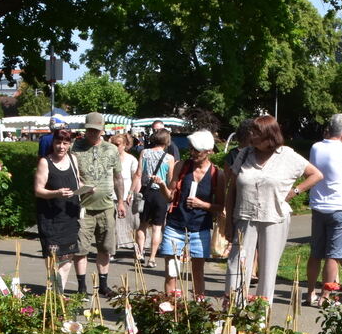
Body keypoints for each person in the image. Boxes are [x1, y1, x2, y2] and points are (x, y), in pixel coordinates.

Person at [226, 115, 323, 302]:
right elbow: (232, 189)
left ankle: (261, 312)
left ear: (269, 135)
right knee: (237, 264)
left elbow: (316, 174)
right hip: (244, 217)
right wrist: (228, 221)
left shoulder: (287, 155)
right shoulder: (244, 154)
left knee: (268, 268)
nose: (251, 135)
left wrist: (295, 191)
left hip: (274, 217)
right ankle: (233, 309)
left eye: (256, 132)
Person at [306, 114, 342, 305]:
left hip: (318, 206)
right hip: (340, 206)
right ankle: (325, 295)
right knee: (334, 255)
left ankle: (310, 293)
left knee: (316, 253)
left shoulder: (316, 147)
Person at [162, 131, 224, 298]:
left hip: (200, 227)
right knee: (172, 271)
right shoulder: (181, 166)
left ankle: (199, 307)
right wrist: (162, 186)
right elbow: (170, 196)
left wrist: (201, 204)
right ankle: (170, 307)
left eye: (197, 150)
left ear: (209, 151)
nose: (192, 153)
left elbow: (220, 206)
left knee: (198, 272)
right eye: (191, 149)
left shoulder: (217, 174)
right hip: (175, 225)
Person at [70, 112, 126, 297]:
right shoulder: (75, 147)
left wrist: (121, 201)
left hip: (106, 206)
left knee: (105, 248)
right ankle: (81, 287)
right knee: (81, 249)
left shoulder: (111, 149)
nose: (93, 133)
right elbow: (70, 174)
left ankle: (103, 285)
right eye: (90, 130)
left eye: (96, 130)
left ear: (102, 130)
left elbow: (118, 177)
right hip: (83, 207)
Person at [33, 128, 84, 295]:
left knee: (68, 256)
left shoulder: (73, 159)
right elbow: (38, 190)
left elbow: (77, 183)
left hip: (70, 215)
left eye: (65, 143)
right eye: (58, 142)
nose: (61, 146)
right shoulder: (45, 162)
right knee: (53, 258)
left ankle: (58, 294)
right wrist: (56, 193)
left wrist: (87, 189)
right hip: (51, 218)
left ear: (70, 144)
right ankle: (53, 293)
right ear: (53, 143)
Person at [136, 129, 175, 267]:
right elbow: (170, 179)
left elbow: (139, 173)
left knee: (142, 225)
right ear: (167, 141)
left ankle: (140, 253)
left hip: (146, 191)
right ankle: (152, 258)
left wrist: (133, 191)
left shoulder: (144, 153)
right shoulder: (169, 158)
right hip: (161, 193)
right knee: (157, 228)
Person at [111, 132, 139, 253]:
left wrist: (132, 193)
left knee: (132, 224)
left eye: (117, 144)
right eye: (113, 144)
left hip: (126, 196)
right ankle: (111, 250)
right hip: (110, 196)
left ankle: (137, 249)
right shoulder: (109, 158)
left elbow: (136, 178)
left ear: (124, 145)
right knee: (111, 225)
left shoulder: (131, 159)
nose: (115, 147)